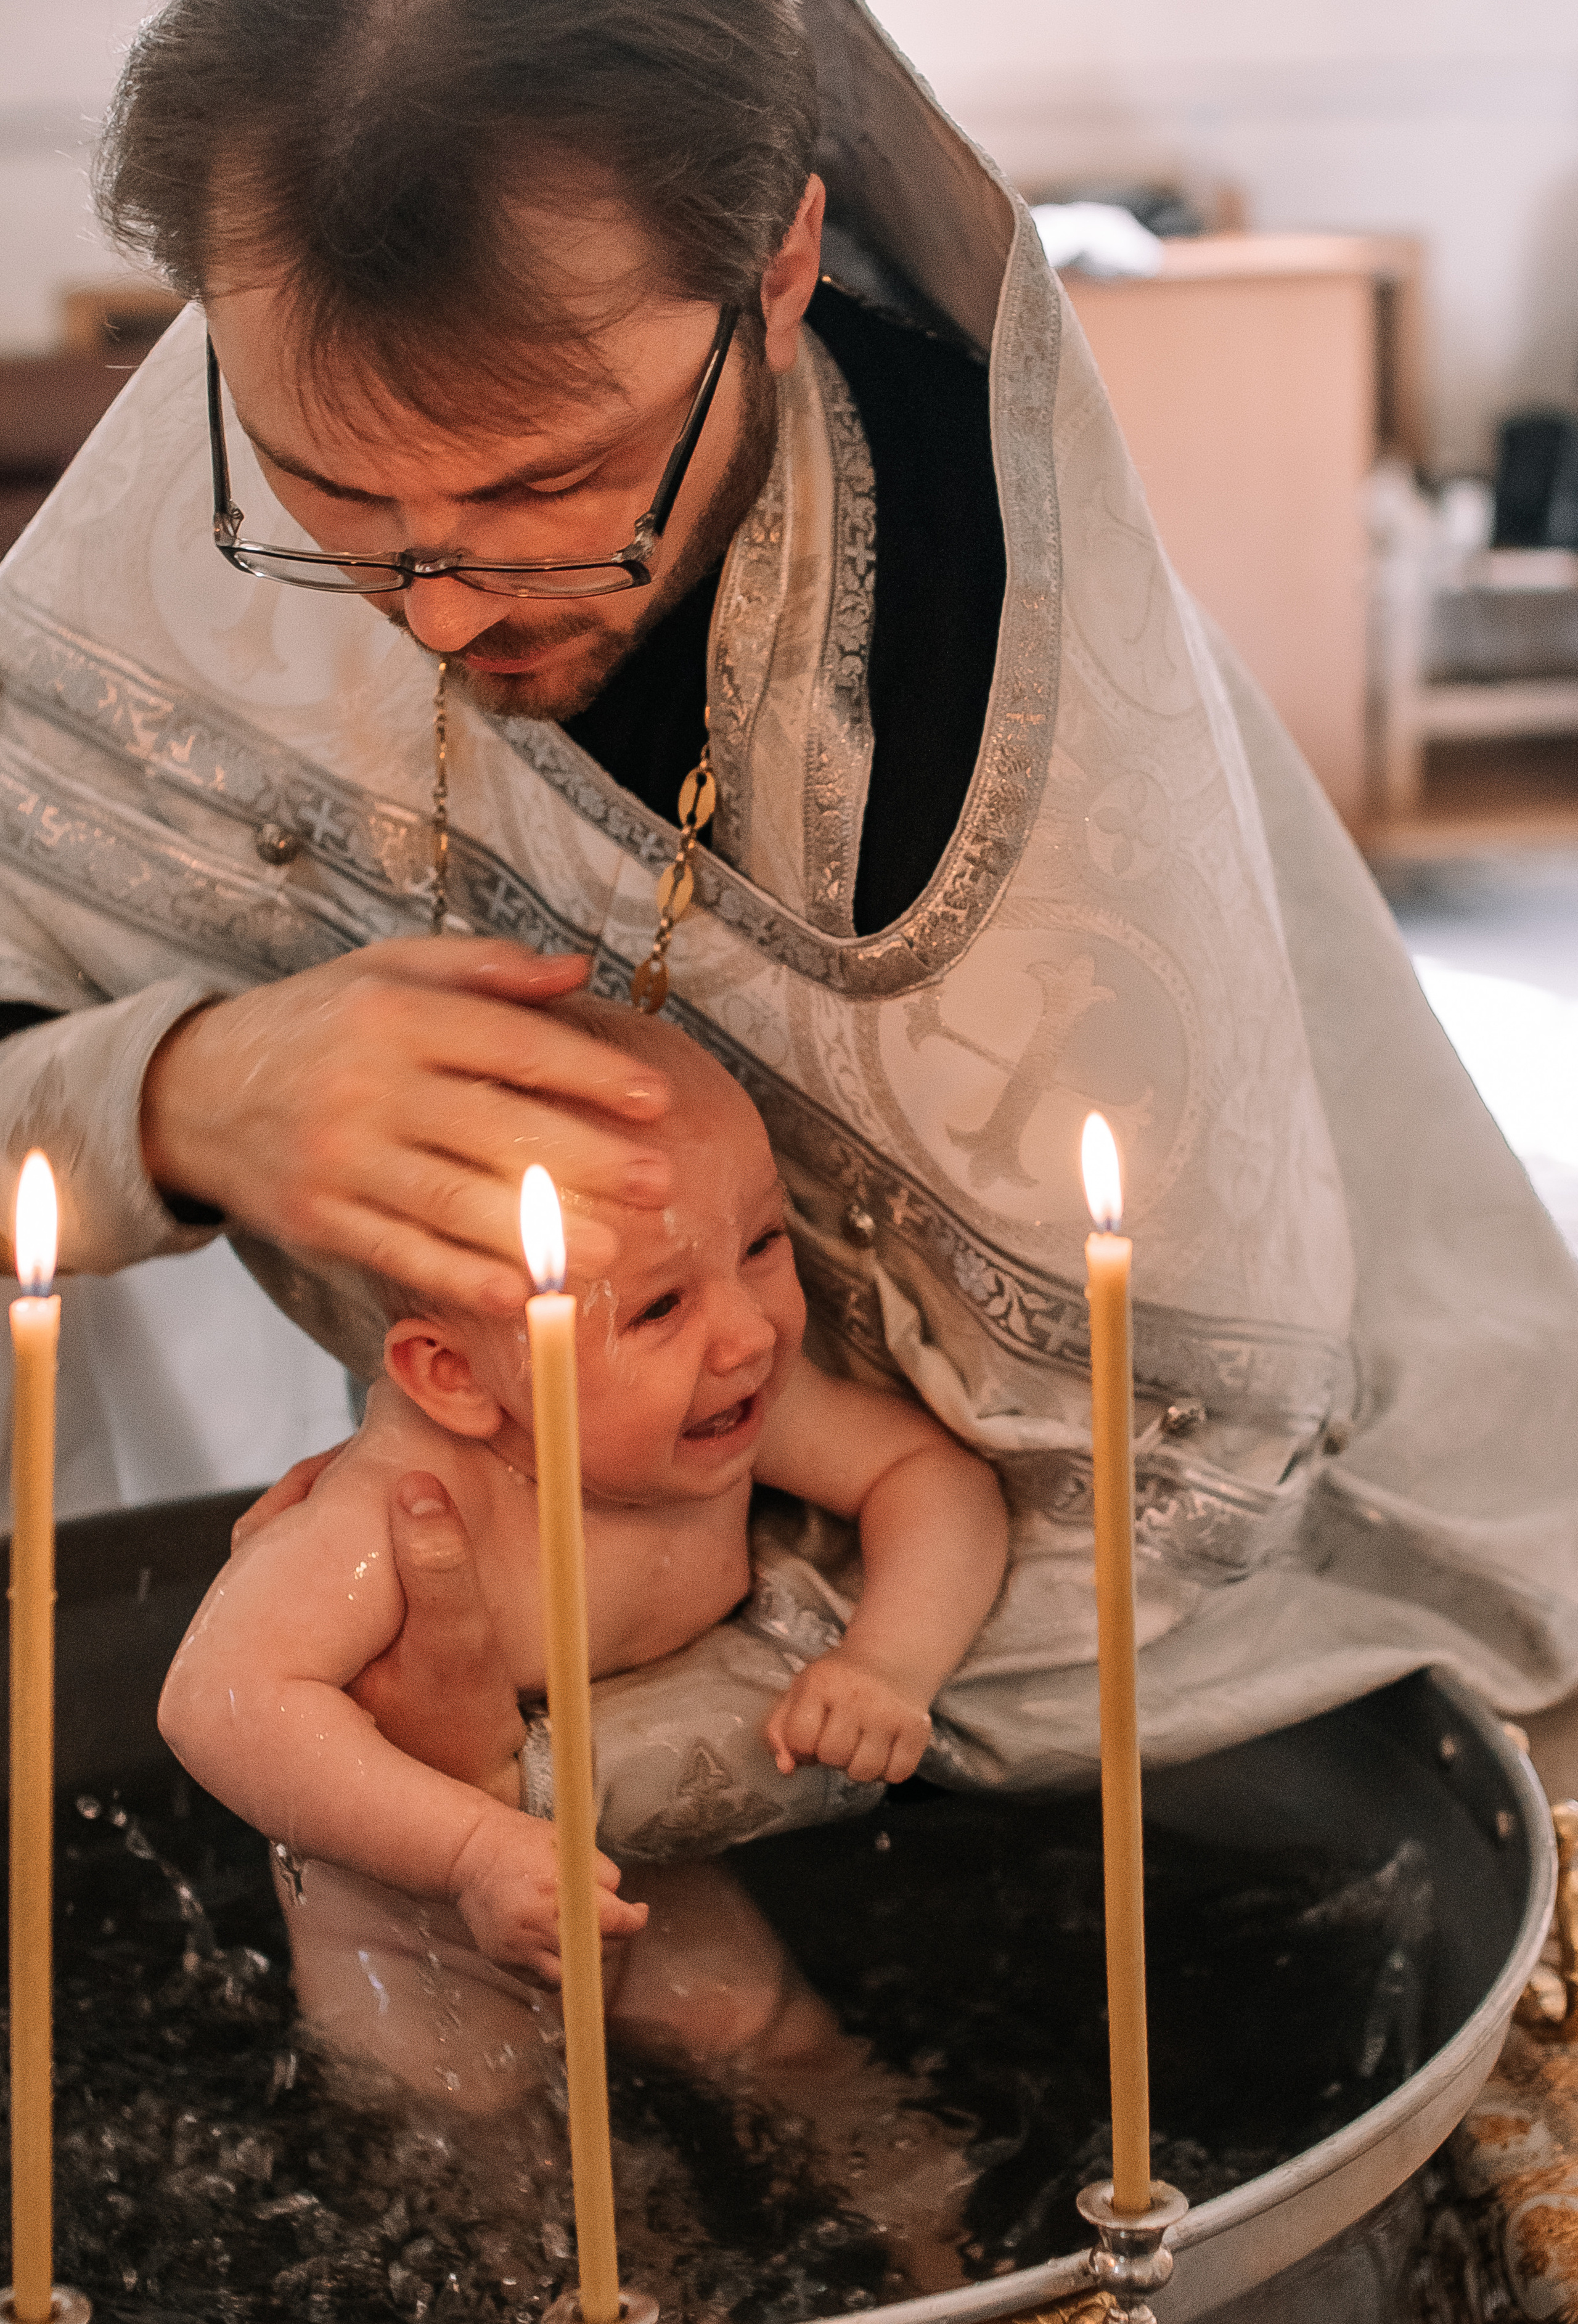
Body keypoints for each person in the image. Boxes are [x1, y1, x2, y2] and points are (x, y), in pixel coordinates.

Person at [0, 0, 1575, 1850]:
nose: (430, 615)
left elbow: (1145, 1504)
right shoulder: (242, 405)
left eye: (547, 492)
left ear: (781, 266)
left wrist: (492, 1794)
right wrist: (180, 1098)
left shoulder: (987, 683)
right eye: (333, 503)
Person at [156, 996, 1007, 1991]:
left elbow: (934, 1477)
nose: (751, 1335)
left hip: (629, 1856)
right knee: (463, 2127)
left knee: (780, 2048)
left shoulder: (731, 1396)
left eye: (761, 1244)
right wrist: (469, 1852)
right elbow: (217, 1703)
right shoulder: (405, 1508)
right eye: (657, 1307)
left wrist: (888, 1661)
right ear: (455, 1377)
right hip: (410, 1912)